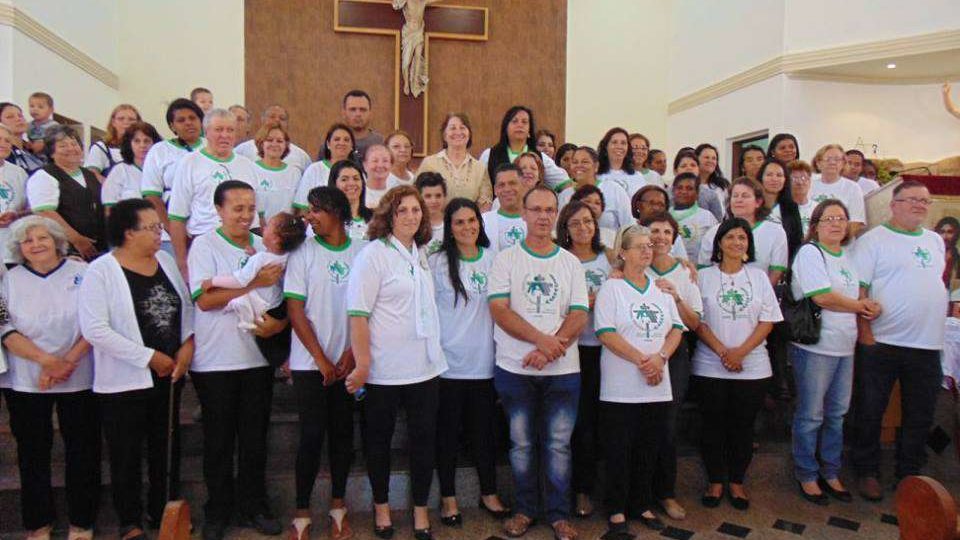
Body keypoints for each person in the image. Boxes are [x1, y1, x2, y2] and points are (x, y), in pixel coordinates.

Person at [79, 200, 195, 539]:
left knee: (166, 450)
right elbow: (95, 329)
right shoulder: (101, 270)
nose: (160, 233)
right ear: (129, 233)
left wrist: (187, 344)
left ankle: (165, 515)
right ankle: (130, 522)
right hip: (125, 381)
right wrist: (148, 357)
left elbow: (184, 306)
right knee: (126, 454)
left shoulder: (166, 262)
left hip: (169, 375)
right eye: (153, 228)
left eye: (160, 227)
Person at [344, 185, 447, 540]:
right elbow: (357, 313)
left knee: (423, 441)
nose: (411, 216)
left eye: (416, 210)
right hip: (384, 369)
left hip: (424, 367)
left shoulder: (420, 253)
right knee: (378, 441)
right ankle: (382, 508)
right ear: (388, 215)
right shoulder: (373, 255)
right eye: (402, 211)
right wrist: (362, 363)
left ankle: (420, 510)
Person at [488, 185, 589, 540]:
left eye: (550, 209)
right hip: (516, 369)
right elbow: (499, 310)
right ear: (524, 214)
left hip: (562, 372)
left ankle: (559, 515)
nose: (543, 216)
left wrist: (548, 349)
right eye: (536, 209)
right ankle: (525, 510)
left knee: (559, 444)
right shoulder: (506, 260)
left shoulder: (570, 262)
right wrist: (540, 340)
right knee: (522, 444)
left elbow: (579, 313)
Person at [187, 181, 287, 540]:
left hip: (256, 361)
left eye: (250, 208)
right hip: (215, 363)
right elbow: (204, 299)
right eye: (237, 208)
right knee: (218, 441)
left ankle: (254, 505)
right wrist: (252, 282)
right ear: (219, 210)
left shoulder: (266, 245)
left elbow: (281, 297)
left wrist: (280, 323)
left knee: (254, 439)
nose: (245, 215)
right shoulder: (205, 245)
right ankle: (217, 511)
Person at [1, 216, 99, 540]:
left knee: (82, 449)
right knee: (32, 452)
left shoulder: (83, 274)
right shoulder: (9, 280)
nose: (36, 245)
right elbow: (4, 328)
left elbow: (96, 321)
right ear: (19, 248)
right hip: (28, 378)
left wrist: (65, 363)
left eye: (42, 238)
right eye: (28, 241)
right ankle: (38, 523)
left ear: (57, 240)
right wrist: (46, 362)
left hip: (79, 373)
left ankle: (81, 522)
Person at [852, 180, 948, 501]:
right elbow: (860, 289)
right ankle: (867, 470)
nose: (920, 205)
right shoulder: (873, 240)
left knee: (920, 414)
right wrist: (866, 335)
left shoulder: (935, 241)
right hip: (882, 342)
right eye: (912, 200)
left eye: (925, 201)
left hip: (927, 345)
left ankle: (910, 474)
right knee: (870, 409)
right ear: (893, 205)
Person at [284, 186, 365, 540]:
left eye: (316, 210)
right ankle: (301, 512)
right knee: (312, 435)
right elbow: (295, 309)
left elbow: (366, 308)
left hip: (348, 362)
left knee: (343, 436)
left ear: (337, 211)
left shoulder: (361, 251)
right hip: (309, 364)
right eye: (308, 211)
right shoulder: (303, 251)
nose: (309, 217)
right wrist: (320, 359)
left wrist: (350, 354)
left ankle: (338, 507)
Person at [594, 224, 685, 537]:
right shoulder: (612, 288)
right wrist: (642, 361)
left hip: (656, 384)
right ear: (622, 252)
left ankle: (641, 503)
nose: (648, 250)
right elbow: (605, 332)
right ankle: (617, 509)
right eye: (639, 246)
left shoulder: (660, 287)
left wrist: (660, 359)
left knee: (649, 447)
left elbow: (676, 328)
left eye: (650, 245)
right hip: (621, 386)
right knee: (619, 449)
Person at [790, 199, 881, 506]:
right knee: (811, 414)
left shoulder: (849, 256)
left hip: (846, 346)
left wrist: (870, 305)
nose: (835, 224)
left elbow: (860, 293)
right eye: (828, 218)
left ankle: (831, 471)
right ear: (815, 225)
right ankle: (806, 474)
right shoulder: (810, 253)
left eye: (841, 218)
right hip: (816, 347)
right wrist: (860, 306)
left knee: (837, 415)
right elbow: (822, 297)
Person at [429, 197, 511, 528]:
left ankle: (488, 492)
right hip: (448, 363)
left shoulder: (495, 259)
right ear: (449, 228)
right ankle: (448, 496)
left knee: (483, 433)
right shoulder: (436, 262)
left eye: (472, 220)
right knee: (446, 434)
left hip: (485, 362)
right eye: (460, 222)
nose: (468, 227)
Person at [693, 218, 783, 510]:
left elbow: (768, 321)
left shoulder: (758, 278)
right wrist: (723, 352)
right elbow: (697, 321)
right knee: (712, 425)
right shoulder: (703, 277)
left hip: (753, 366)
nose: (736, 242)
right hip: (710, 364)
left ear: (749, 244)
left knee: (743, 427)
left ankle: (737, 481)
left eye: (742, 238)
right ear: (719, 242)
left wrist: (740, 352)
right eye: (730, 237)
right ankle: (715, 480)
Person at [640, 212, 703, 521]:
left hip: (674, 352)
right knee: (637, 424)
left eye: (667, 231)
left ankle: (665, 492)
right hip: (637, 354)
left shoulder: (686, 273)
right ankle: (637, 494)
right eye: (654, 230)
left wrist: (677, 297)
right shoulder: (633, 269)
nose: (661, 237)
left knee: (667, 425)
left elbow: (695, 322)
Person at [557, 200, 615, 520]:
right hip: (571, 349)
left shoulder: (608, 258)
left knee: (597, 423)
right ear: (565, 228)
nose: (583, 228)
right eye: (576, 223)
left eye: (588, 222)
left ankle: (590, 489)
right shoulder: (561, 259)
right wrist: (589, 300)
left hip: (604, 349)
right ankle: (574, 489)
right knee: (576, 425)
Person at [168, 108, 259, 278]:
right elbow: (177, 217)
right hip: (204, 245)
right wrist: (182, 262)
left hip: (242, 247)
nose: (225, 135)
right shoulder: (190, 163)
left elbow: (254, 216)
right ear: (206, 132)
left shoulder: (247, 166)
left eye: (230, 130)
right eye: (218, 130)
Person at [201, 212, 305, 331]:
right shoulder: (286, 257)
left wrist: (213, 281)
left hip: (262, 306)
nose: (263, 228)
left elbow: (240, 280)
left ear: (275, 239)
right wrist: (254, 256)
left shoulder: (261, 258)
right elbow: (268, 262)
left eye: (267, 227)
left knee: (239, 301)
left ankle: (246, 322)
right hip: (277, 304)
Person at [27, 125, 106, 259]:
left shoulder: (90, 175)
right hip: (66, 252)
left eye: (74, 144)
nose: (71, 148)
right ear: (51, 152)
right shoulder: (44, 176)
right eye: (63, 146)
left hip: (98, 250)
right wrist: (78, 240)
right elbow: (45, 213)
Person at [698, 178, 789, 288]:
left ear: (758, 202)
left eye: (745, 196)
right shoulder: (713, 232)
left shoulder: (775, 231)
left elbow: (776, 271)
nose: (738, 200)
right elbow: (704, 269)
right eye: (735, 196)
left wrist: (759, 295)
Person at [141, 99, 205, 250]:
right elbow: (152, 195)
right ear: (172, 126)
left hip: (206, 228)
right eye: (181, 120)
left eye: (192, 118)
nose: (188, 123)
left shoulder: (211, 147)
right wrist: (172, 229)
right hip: (169, 229)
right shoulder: (160, 151)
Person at [417, 113, 493, 209]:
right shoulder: (429, 163)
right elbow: (417, 197)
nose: (458, 132)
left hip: (467, 222)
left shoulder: (480, 168)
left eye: (462, 128)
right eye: (452, 128)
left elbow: (485, 203)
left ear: (469, 134)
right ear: (444, 135)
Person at [480, 105, 567, 190]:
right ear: (505, 127)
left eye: (524, 122)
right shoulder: (489, 155)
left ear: (530, 129)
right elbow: (480, 187)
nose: (520, 125)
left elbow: (565, 183)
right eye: (515, 121)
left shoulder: (540, 157)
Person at [560, 146, 633, 230]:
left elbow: (629, 226)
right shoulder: (565, 195)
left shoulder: (614, 189)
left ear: (596, 166)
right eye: (575, 162)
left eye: (585, 162)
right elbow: (560, 229)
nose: (579, 166)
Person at [102, 122, 162, 218]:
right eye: (137, 141)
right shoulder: (120, 170)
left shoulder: (161, 171)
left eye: (147, 141)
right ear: (129, 144)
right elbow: (109, 209)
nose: (142, 145)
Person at [293, 123, 356, 211]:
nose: (342, 143)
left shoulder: (358, 172)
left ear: (352, 146)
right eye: (337, 139)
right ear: (328, 144)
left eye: (346, 140)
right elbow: (302, 208)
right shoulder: (314, 170)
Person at [235, 105, 313, 173]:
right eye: (272, 117)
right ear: (262, 120)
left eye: (282, 118)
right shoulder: (243, 150)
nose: (277, 120)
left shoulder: (301, 156)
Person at [251, 122, 303, 222]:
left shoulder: (295, 173)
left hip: (287, 232)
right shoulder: (251, 169)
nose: (274, 144)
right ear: (261, 143)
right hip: (257, 232)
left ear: (286, 145)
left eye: (279, 141)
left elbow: (298, 210)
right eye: (269, 140)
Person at [811, 145, 866, 236]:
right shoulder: (808, 185)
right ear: (818, 163)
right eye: (828, 159)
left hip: (839, 245)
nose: (832, 162)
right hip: (811, 243)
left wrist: (833, 241)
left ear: (843, 164)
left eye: (837, 159)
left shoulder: (852, 188)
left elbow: (856, 223)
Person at [758, 159, 803, 261]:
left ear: (785, 180)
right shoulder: (752, 205)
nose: (774, 179)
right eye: (769, 174)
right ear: (761, 178)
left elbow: (796, 241)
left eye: (779, 175)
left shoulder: (791, 208)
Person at [632, 185, 691, 260]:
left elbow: (683, 260)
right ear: (639, 205)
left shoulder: (670, 232)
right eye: (651, 203)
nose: (656, 208)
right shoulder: (629, 230)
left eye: (661, 205)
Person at [84, 104, 141, 182]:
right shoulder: (102, 148)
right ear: (113, 122)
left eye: (131, 119)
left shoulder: (145, 150)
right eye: (121, 119)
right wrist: (113, 187)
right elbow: (90, 174)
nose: (126, 122)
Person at [670, 172, 718, 261]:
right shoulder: (664, 217)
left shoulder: (707, 217)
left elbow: (715, 245)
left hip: (699, 270)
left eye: (689, 188)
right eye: (680, 188)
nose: (684, 192)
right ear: (673, 191)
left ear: (697, 194)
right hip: (672, 271)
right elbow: (651, 244)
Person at [0, 124, 29, 264]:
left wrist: (16, 215)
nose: (3, 144)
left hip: (12, 251)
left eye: (7, 141)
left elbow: (31, 209)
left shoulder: (19, 173)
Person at [482, 164, 528, 253]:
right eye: (501, 185)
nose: (507, 189)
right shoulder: (483, 221)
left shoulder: (535, 219)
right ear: (495, 190)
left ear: (524, 186)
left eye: (512, 183)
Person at [674, 149, 723, 220]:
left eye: (693, 165)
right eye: (683, 166)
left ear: (698, 169)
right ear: (675, 171)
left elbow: (718, 224)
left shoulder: (711, 196)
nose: (689, 168)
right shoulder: (667, 194)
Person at [598, 127, 646, 197]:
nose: (619, 146)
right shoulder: (596, 175)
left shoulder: (637, 177)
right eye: (614, 142)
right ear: (605, 146)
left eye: (623, 143)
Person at [1, 102, 46, 174]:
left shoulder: (33, 150)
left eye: (20, 115)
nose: (18, 119)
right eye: (10, 117)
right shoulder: (4, 151)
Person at [342, 90, 383, 159]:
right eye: (352, 109)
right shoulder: (333, 145)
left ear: (370, 113)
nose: (358, 114)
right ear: (344, 113)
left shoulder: (381, 143)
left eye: (363, 110)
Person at [416, 172, 447, 254]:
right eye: (428, 196)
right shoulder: (413, 225)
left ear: (445, 196)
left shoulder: (452, 223)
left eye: (438, 196)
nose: (434, 201)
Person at [696, 144, 730, 215]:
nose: (710, 161)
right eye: (706, 157)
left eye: (714, 158)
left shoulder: (722, 185)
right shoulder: (689, 185)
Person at [787, 160, 817, 231]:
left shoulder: (818, 209)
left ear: (810, 181)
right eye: (794, 179)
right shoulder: (781, 209)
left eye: (803, 178)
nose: (800, 182)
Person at [363, 144, 393, 208]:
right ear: (365, 165)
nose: (380, 165)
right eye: (375, 161)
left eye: (385, 161)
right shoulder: (358, 193)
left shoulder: (395, 193)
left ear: (391, 165)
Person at [937, 216, 960, 289]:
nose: (945, 236)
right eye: (942, 232)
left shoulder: (957, 259)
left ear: (956, 234)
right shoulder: (931, 255)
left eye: (950, 232)